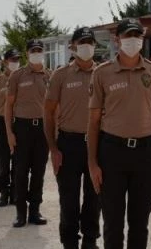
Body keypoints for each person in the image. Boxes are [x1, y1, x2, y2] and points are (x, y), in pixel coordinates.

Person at [88, 18, 151, 249]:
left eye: (137, 36)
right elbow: (93, 121)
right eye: (127, 36)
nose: (132, 41)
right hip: (112, 152)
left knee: (139, 222)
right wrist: (92, 163)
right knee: (113, 223)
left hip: (145, 153)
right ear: (117, 40)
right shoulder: (102, 73)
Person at [44, 27, 101, 249]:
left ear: (95, 46)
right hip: (68, 144)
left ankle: (90, 240)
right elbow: (48, 111)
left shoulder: (103, 73)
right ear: (73, 47)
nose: (86, 46)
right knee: (68, 200)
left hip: (96, 144)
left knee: (94, 197)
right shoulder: (60, 75)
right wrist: (53, 148)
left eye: (90, 42)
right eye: (82, 42)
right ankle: (69, 242)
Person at [6, 40, 51, 227]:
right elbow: (9, 105)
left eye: (40, 50)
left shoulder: (50, 76)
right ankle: (20, 213)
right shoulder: (17, 75)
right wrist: (9, 133)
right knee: (21, 172)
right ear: (27, 53)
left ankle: (35, 211)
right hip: (22, 129)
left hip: (42, 128)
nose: (37, 53)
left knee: (39, 172)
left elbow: (54, 107)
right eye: (34, 50)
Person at [0, 49, 18, 207]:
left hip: (18, 123)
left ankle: (15, 193)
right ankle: (3, 193)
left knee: (18, 162)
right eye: (13, 59)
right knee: (4, 160)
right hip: (1, 122)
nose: (15, 62)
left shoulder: (21, 78)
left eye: (17, 59)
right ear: (6, 61)